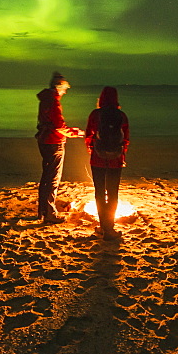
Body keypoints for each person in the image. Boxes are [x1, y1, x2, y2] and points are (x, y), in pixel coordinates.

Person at [35, 72, 83, 224]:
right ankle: (49, 214)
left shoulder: (45, 100)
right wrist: (77, 132)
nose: (65, 91)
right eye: (64, 88)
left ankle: (42, 212)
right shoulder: (54, 102)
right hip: (53, 142)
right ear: (58, 87)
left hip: (44, 140)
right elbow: (58, 126)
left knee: (46, 177)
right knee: (52, 179)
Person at [84, 86, 129, 240]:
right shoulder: (121, 116)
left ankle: (103, 227)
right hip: (116, 160)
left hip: (97, 159)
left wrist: (92, 149)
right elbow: (126, 139)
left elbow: (88, 135)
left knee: (99, 193)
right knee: (112, 193)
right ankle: (109, 228)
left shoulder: (95, 115)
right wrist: (121, 155)